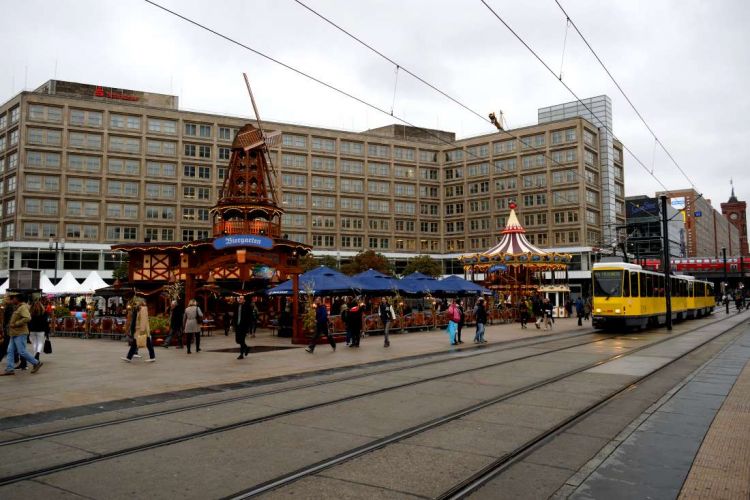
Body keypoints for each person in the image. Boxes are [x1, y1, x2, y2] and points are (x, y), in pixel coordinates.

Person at [2, 294, 43, 375]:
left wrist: (16, 323)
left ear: (18, 299)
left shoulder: (23, 307)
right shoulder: (18, 307)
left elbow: (27, 318)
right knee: (10, 351)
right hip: (14, 333)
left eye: (13, 298)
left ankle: (36, 363)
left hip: (20, 333)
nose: (12, 300)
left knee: (22, 351)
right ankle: (10, 369)